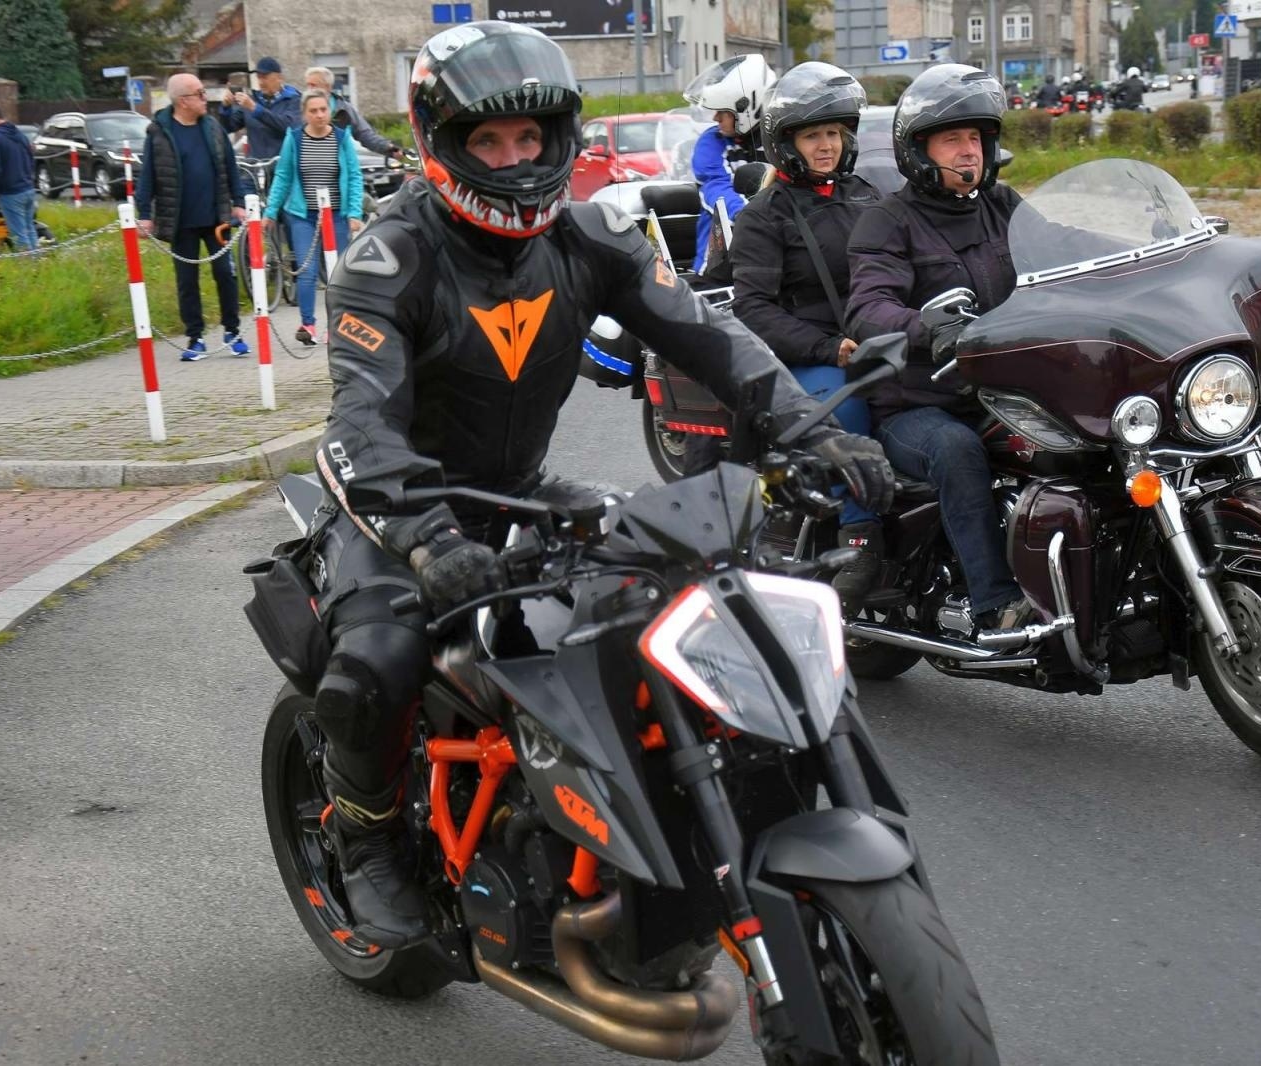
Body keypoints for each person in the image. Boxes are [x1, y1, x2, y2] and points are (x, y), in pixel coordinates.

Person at [306, 20, 894, 947]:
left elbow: (709, 333)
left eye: (529, 138)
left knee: (670, 607)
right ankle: (365, 838)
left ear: (556, 138)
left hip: (520, 493)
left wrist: (805, 426)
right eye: (488, 141)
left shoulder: (590, 234)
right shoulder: (390, 258)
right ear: (442, 144)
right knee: (378, 659)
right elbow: (361, 423)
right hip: (398, 512)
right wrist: (425, 537)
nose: (512, 158)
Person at [845, 64, 1033, 633]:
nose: (968, 151)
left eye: (975, 138)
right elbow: (868, 307)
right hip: (918, 404)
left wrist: (1154, 250)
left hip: (1006, 390)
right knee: (955, 451)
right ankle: (994, 603)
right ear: (920, 151)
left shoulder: (1003, 205)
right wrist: (931, 327)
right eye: (952, 139)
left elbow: (1067, 250)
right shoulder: (887, 222)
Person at [729, 61, 886, 608]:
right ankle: (860, 533)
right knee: (848, 414)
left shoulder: (867, 196)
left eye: (834, 134)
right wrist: (827, 347)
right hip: (810, 358)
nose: (827, 146)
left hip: (878, 343)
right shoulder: (764, 217)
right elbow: (751, 306)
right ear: (786, 142)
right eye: (814, 134)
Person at [135, 74, 250, 361]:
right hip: (180, 219)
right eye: (199, 93)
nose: (204, 98)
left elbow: (230, 168)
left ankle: (232, 331)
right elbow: (148, 175)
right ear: (183, 101)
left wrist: (238, 202)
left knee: (225, 273)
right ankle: (195, 337)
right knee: (187, 280)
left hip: (216, 217)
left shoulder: (212, 128)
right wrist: (145, 215)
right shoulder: (159, 132)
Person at [265, 89, 364, 347]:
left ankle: (338, 325)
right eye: (314, 111)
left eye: (323, 110)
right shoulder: (295, 139)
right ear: (304, 114)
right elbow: (283, 176)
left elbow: (354, 176)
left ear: (329, 111)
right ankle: (307, 324)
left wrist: (354, 212)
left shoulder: (342, 139)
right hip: (303, 214)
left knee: (338, 273)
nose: (320, 115)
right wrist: (270, 212)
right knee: (307, 271)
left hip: (336, 215)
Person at [685, 54, 776, 277]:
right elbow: (715, 187)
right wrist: (751, 215)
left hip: (777, 249)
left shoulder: (779, 142)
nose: (715, 118)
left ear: (748, 108)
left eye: (723, 112)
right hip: (720, 261)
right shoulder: (712, 142)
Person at [302, 67, 405, 159]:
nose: (310, 89)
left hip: (340, 163)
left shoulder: (344, 109)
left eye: (313, 85)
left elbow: (365, 134)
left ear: (328, 87)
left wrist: (388, 148)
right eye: (308, 85)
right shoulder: (300, 107)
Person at [0, 101, 37, 252]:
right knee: (30, 229)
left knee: (18, 235)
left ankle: (28, 269)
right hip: (28, 189)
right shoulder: (19, 134)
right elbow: (31, 159)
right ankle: (38, 264)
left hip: (10, 193)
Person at [222, 56, 302, 160]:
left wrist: (256, 109)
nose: (261, 82)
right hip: (256, 167)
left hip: (282, 167)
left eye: (265, 77)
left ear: (279, 78)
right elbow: (229, 127)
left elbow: (289, 127)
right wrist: (226, 107)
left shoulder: (293, 99)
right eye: (258, 77)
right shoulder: (252, 99)